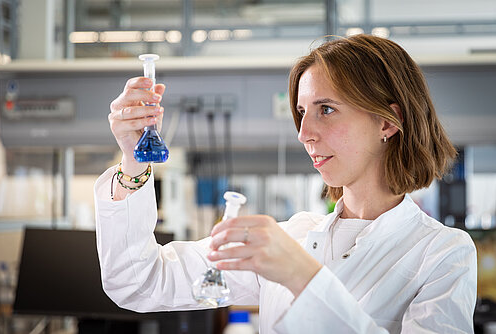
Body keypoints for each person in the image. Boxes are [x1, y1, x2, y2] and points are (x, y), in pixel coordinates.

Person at [94, 34, 477, 333]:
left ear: (387, 121)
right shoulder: (292, 236)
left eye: (326, 109)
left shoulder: (441, 253)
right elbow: (138, 282)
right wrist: (132, 162)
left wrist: (299, 274)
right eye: (300, 112)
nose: (304, 133)